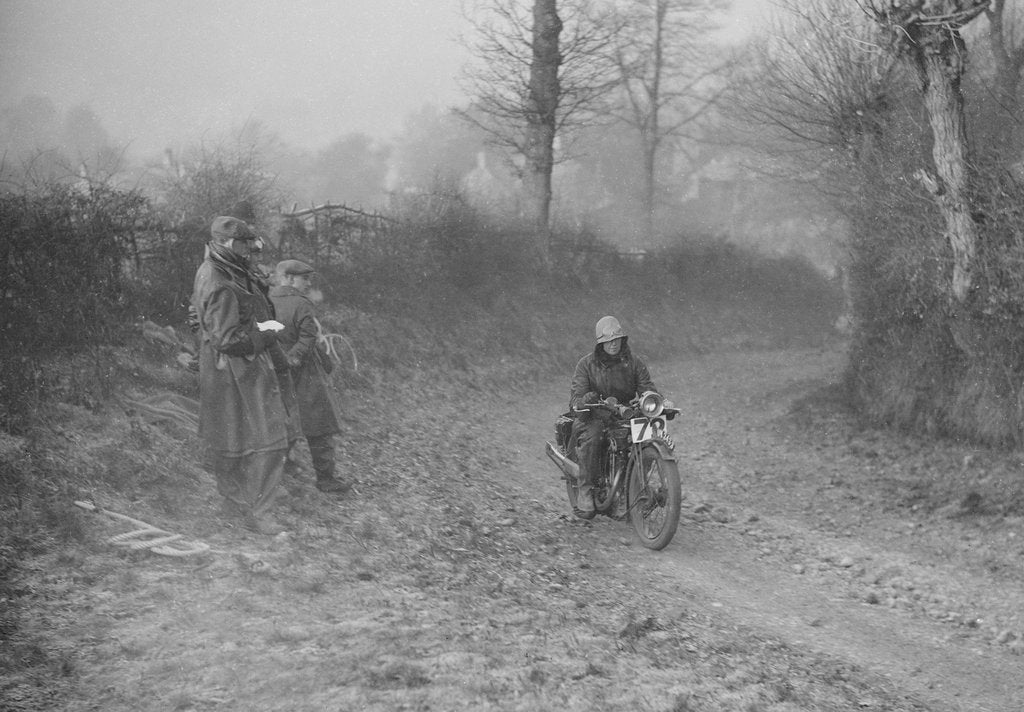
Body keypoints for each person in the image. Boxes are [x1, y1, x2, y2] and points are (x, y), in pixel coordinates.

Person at [191, 216, 291, 535]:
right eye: (242, 245)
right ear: (225, 244)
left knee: (231, 437)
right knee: (269, 439)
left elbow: (203, 320)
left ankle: (234, 502)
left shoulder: (221, 267)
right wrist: (266, 331)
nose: (249, 251)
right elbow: (228, 339)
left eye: (249, 245)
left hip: (224, 367)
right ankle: (260, 513)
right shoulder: (220, 280)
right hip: (237, 367)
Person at [268, 259, 351, 494]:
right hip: (305, 372)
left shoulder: (266, 299)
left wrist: (281, 361)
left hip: (276, 371)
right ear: (290, 279)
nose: (308, 283)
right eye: (305, 278)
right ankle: (325, 479)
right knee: (320, 425)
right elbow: (308, 338)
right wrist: (292, 359)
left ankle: (276, 474)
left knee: (284, 424)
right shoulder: (302, 304)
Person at [568, 315, 659, 515]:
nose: (613, 344)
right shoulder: (586, 365)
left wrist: (655, 400)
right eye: (608, 340)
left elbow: (647, 388)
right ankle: (585, 490)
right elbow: (576, 399)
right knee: (594, 436)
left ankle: (634, 488)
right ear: (600, 343)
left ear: (622, 339)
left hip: (625, 413)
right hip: (595, 415)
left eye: (616, 339)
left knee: (648, 436)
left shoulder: (634, 363)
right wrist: (587, 400)